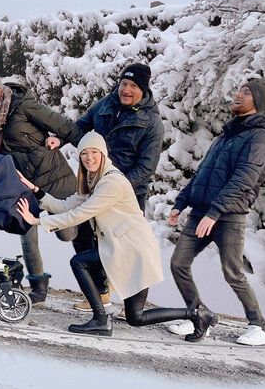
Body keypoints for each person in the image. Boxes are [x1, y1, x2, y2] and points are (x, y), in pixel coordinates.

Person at [16, 132, 216, 338]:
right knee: (135, 317)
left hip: (133, 250)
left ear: (103, 154)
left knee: (80, 263)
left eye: (94, 152)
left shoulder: (112, 182)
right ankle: (197, 314)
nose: (89, 157)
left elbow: (79, 214)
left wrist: (37, 221)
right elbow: (67, 205)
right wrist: (36, 190)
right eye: (84, 153)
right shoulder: (95, 179)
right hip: (123, 248)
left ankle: (101, 319)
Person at [0, 61, 87, 305]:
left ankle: (96, 287)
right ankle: (38, 286)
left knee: (68, 234)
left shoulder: (24, 106)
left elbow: (65, 126)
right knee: (27, 235)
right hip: (21, 184)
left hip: (54, 179)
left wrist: (68, 144)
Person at [166, 81, 265, 346]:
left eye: (246, 92)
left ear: (259, 101)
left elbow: (245, 178)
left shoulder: (261, 135)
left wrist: (215, 212)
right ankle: (199, 315)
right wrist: (180, 202)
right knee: (179, 263)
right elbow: (203, 173)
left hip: (228, 216)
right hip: (201, 213)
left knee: (233, 272)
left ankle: (259, 326)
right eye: (239, 90)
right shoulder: (227, 135)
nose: (238, 94)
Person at [60, 63, 164, 216]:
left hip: (128, 193)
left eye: (134, 86)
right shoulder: (106, 103)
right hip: (95, 184)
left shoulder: (152, 122)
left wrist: (117, 186)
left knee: (122, 232)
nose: (126, 90)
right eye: (124, 84)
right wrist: (60, 140)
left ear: (143, 90)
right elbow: (80, 126)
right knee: (85, 227)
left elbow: (146, 167)